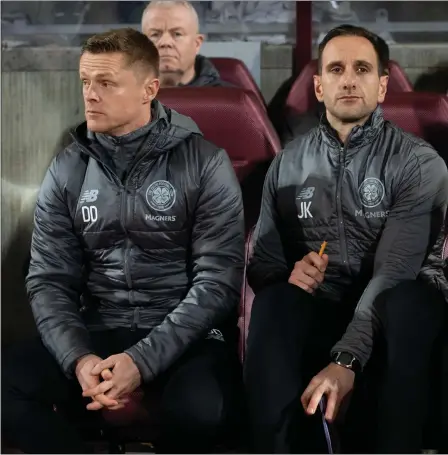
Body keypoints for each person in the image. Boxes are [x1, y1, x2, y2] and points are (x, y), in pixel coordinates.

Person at [2, 28, 245, 454]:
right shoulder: (67, 168)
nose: (90, 95)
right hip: (97, 330)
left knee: (206, 412)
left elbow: (217, 285)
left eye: (106, 83)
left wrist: (143, 360)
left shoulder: (206, 163)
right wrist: (79, 360)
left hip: (184, 336)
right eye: (85, 82)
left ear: (149, 89)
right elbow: (48, 280)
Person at [244, 24, 448, 454]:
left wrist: (346, 360)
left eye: (362, 69)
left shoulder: (418, 163)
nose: (349, 79)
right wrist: (290, 273)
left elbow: (394, 271)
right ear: (319, 86)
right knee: (275, 302)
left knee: (407, 302)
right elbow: (263, 263)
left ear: (383, 86)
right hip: (326, 308)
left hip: (397, 317)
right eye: (336, 69)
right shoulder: (287, 165)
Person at [141, 0, 230, 87]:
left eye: (177, 34)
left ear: (197, 44)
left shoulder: (229, 99)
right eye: (155, 34)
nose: (165, 42)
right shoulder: (128, 97)